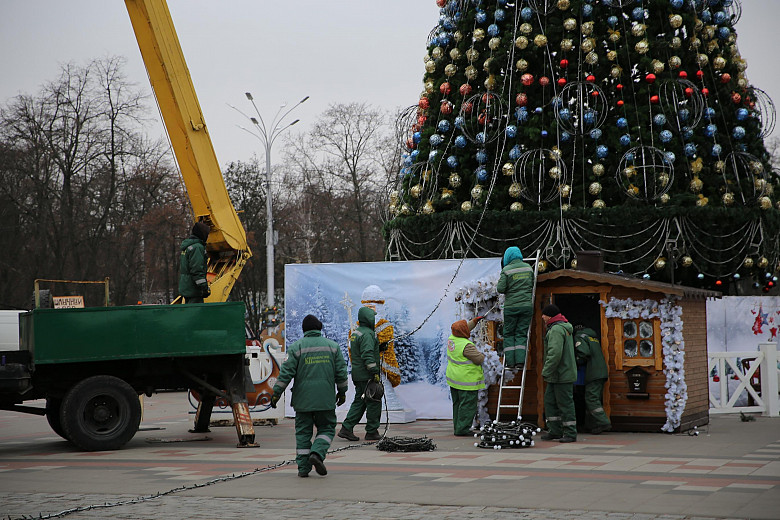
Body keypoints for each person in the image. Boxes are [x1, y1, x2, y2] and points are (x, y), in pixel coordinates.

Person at [270, 314, 348, 478]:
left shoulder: (296, 348)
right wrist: (342, 392)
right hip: (325, 400)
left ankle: (303, 469)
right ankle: (318, 453)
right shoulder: (332, 347)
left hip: (302, 401)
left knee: (303, 433)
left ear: (304, 330)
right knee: (326, 428)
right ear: (319, 328)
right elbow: (341, 373)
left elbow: (286, 374)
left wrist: (276, 393)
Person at [338, 306, 382, 442]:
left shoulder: (357, 332)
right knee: (374, 401)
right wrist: (374, 372)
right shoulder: (368, 334)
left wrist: (379, 347)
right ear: (368, 318)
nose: (374, 319)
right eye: (373, 317)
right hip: (367, 375)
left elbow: (362, 350)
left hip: (358, 374)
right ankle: (372, 431)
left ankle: (346, 428)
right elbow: (367, 354)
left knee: (361, 401)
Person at [540, 304, 578, 443]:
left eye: (544, 314)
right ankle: (555, 431)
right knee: (550, 402)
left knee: (565, 404)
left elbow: (555, 353)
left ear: (549, 315)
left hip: (562, 374)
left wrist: (546, 371)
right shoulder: (562, 328)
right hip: (558, 375)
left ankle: (570, 433)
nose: (542, 317)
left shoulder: (556, 329)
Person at [446, 316, 485, 436]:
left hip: (454, 379)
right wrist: (483, 353)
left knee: (457, 404)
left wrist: (474, 322)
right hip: (466, 381)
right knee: (467, 406)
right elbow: (479, 359)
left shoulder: (452, 339)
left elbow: (463, 329)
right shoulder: (466, 345)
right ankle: (462, 430)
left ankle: (458, 427)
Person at [496, 246, 534, 367]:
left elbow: (500, 289)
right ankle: (520, 362)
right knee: (521, 333)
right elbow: (532, 284)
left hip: (511, 307)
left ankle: (510, 363)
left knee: (509, 334)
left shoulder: (507, 270)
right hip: (527, 306)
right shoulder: (529, 268)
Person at [574, 325, 612, 434]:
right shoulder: (592, 337)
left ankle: (603, 422)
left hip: (593, 372)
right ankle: (591, 425)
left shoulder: (579, 336)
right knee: (593, 398)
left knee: (591, 398)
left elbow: (584, 353)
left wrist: (575, 362)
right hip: (600, 371)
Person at [178, 222, 211, 303]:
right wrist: (204, 288)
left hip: (187, 288)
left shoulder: (188, 247)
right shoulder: (197, 247)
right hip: (194, 290)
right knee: (197, 314)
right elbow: (197, 270)